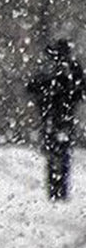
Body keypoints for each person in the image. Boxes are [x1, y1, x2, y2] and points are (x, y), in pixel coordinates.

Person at [27, 39, 85, 201]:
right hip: (59, 116)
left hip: (55, 116)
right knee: (59, 153)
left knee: (56, 153)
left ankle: (56, 189)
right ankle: (57, 189)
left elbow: (32, 87)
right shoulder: (66, 69)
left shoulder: (58, 69)